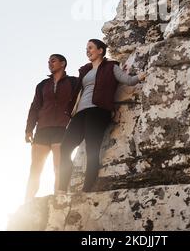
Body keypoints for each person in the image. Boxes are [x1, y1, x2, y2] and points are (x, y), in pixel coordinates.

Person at [58, 39, 145, 193]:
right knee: (65, 148)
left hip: (98, 111)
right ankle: (61, 189)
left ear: (100, 50)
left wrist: (143, 75)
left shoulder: (111, 67)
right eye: (86, 48)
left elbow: (128, 80)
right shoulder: (84, 70)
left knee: (92, 148)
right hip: (80, 113)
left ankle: (87, 189)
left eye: (90, 48)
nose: (87, 50)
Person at [24, 54, 78, 202]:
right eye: (48, 61)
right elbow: (34, 107)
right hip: (42, 129)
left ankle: (58, 199)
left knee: (59, 167)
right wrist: (29, 129)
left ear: (63, 63)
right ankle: (27, 201)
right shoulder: (42, 85)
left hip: (62, 128)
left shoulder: (73, 82)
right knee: (35, 168)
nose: (50, 63)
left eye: (53, 61)